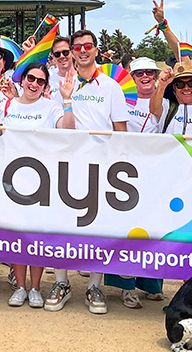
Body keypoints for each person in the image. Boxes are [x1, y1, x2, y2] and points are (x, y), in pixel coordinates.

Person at [43, 29, 128, 315]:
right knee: (61, 224)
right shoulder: (57, 86)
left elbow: (121, 132)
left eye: (87, 46)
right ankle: (61, 282)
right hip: (65, 164)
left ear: (96, 50)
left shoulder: (111, 86)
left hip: (102, 167)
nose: (81, 51)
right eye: (76, 47)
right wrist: (66, 98)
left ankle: (94, 285)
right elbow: (63, 130)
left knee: (97, 227)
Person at [0, 62, 74, 309]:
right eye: (31, 78)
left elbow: (68, 130)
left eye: (40, 81)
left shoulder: (51, 107)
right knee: (17, 235)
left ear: (45, 86)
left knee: (36, 236)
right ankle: (20, 286)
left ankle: (35, 287)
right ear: (23, 80)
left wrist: (67, 100)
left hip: (42, 181)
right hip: (12, 180)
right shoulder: (9, 104)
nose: (34, 84)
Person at [105, 56, 166, 308]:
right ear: (131, 76)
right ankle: (126, 286)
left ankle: (151, 283)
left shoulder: (165, 101)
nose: (144, 77)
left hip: (152, 170)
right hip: (121, 169)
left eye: (149, 73)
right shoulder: (120, 97)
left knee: (153, 227)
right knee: (126, 227)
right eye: (139, 73)